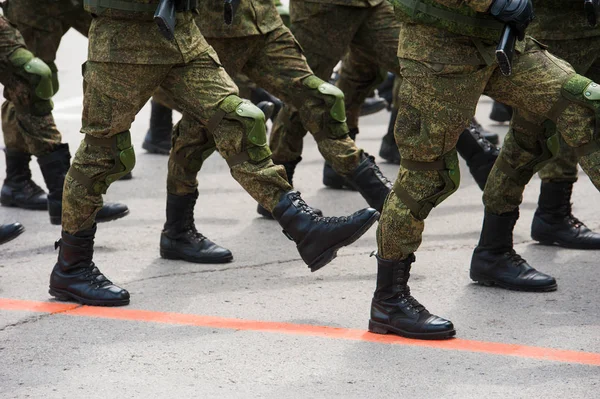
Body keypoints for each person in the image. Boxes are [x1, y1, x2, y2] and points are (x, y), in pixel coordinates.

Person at [49, 0, 379, 307]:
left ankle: (303, 226)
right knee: (103, 153)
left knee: (238, 120)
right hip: (125, 37)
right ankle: (72, 265)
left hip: (182, 30)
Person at [1, 0, 129, 224]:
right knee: (30, 81)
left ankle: (104, 158)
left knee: (135, 50)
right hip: (35, 8)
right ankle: (27, 181)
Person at [487, 0, 600, 249]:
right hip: (555, 28)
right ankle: (495, 246)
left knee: (582, 124)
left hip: (591, 26)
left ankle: (554, 214)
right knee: (531, 135)